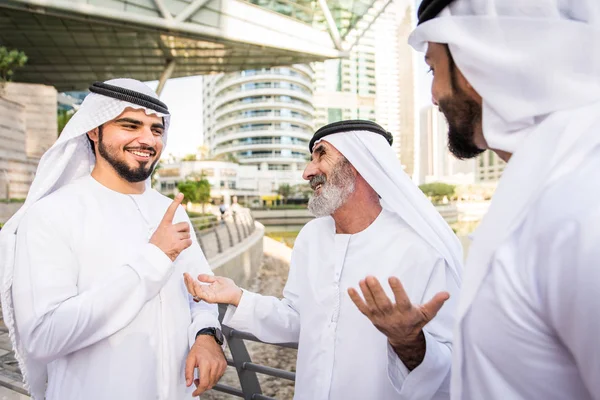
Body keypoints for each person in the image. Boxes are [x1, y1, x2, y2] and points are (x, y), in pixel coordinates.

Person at [185, 120, 463, 399]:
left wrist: (409, 341)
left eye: (321, 155)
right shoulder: (310, 237)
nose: (307, 172)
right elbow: (299, 320)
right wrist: (238, 297)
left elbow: (455, 366)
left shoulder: (423, 249)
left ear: (359, 162)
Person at [408, 1, 600, 399]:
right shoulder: (546, 177)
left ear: (481, 55)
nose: (434, 94)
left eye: (432, 68)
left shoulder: (581, 201)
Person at [0, 79, 227, 400]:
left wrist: (207, 336)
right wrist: (153, 259)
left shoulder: (171, 210)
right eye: (130, 125)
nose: (147, 139)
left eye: (156, 130)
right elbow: (43, 336)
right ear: (94, 130)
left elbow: (201, 294)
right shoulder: (52, 214)